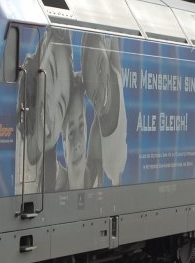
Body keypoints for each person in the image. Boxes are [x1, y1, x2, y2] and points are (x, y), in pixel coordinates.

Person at [18, 28, 73, 193]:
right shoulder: (8, 141)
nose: (50, 110)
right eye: (51, 75)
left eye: (61, 106)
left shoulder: (58, 177)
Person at [80, 33, 127, 186]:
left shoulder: (114, 71)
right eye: (93, 95)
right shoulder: (96, 136)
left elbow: (113, 28)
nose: (100, 92)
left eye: (100, 68)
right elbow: (91, 181)